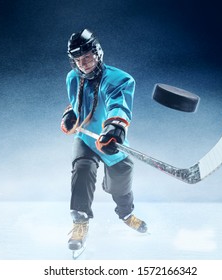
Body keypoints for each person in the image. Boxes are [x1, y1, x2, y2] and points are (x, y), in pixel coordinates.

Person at [61, 28, 147, 251]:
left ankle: (126, 214)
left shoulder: (120, 79)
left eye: (87, 57)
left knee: (122, 177)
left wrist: (115, 129)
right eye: (78, 60)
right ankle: (80, 222)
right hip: (87, 138)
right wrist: (70, 115)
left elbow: (118, 104)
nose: (83, 63)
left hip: (109, 139)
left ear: (97, 53)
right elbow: (77, 103)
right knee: (82, 168)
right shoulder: (72, 78)